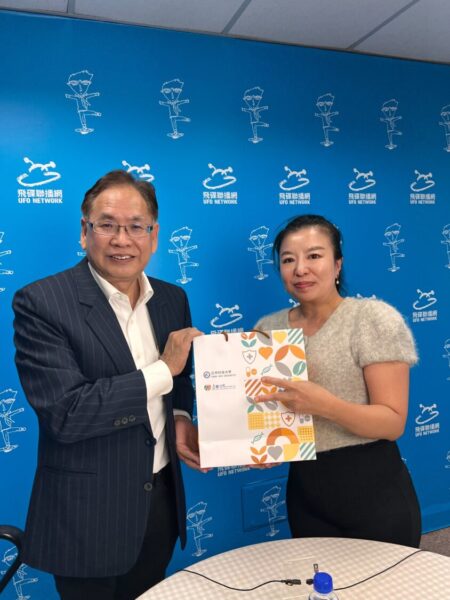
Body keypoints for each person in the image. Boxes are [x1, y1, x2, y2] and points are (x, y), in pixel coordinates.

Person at [13, 170, 203, 600]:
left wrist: (179, 416)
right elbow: (66, 413)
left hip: (158, 504)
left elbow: (181, 381)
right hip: (86, 515)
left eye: (136, 226)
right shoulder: (43, 302)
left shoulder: (172, 299)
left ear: (154, 236)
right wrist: (163, 369)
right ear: (85, 232)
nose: (122, 240)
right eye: (107, 225)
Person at [254, 214, 421, 547]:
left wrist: (325, 405)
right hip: (305, 492)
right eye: (288, 260)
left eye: (314, 256)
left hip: (375, 489)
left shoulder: (372, 318)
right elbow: (267, 415)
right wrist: (258, 447)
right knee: (318, 579)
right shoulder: (267, 329)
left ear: (337, 264)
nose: (300, 269)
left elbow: (392, 422)